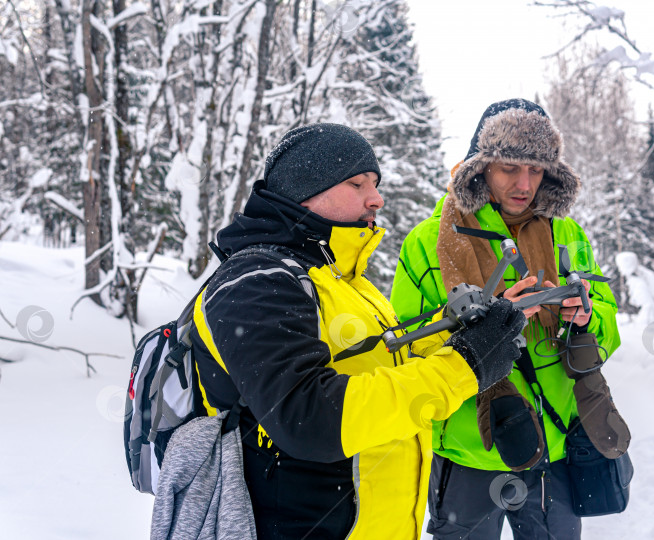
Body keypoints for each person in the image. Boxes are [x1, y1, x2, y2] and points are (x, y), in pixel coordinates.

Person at [188, 123, 527, 540]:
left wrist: (464, 338)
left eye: (376, 183)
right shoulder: (256, 280)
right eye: (357, 183)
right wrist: (464, 366)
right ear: (304, 190)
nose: (377, 198)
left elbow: (380, 367)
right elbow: (308, 417)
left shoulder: (347, 282)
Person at [390, 99, 628, 539]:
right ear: (481, 168)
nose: (525, 184)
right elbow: (407, 348)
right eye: (510, 169)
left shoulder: (568, 233)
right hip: (469, 452)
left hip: (552, 451)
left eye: (537, 170)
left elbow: (609, 326)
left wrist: (587, 320)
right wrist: (485, 325)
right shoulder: (425, 243)